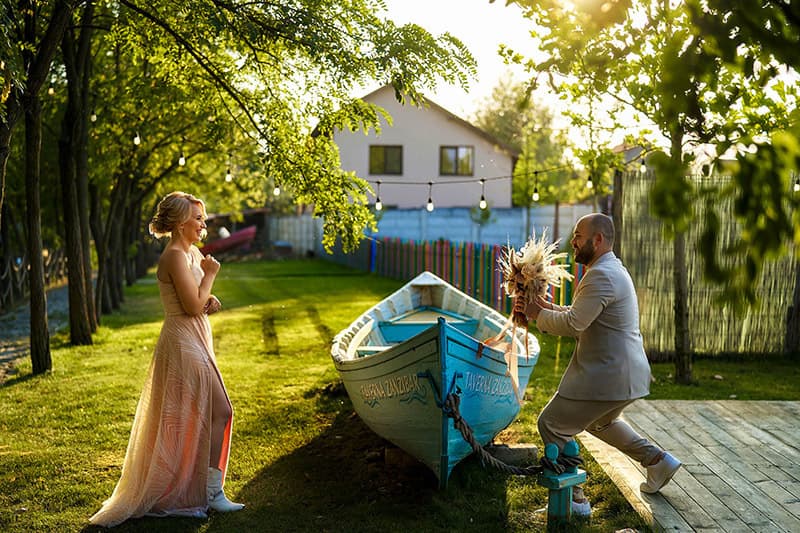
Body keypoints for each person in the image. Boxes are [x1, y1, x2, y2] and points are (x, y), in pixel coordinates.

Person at [90, 192, 243, 527]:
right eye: (197, 218)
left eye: (203, 218)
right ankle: (209, 493)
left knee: (206, 413)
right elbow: (190, 305)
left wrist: (210, 297)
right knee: (219, 410)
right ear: (179, 223)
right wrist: (211, 276)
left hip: (196, 335)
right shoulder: (174, 255)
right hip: (182, 341)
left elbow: (196, 299)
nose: (203, 224)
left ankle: (207, 490)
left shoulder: (191, 252)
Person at [515, 213, 681, 517]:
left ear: (599, 239)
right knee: (600, 423)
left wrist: (537, 314)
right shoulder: (608, 270)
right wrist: (545, 307)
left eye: (579, 236)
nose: (573, 242)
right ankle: (657, 461)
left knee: (551, 424)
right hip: (626, 374)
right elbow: (581, 314)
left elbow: (575, 324)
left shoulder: (601, 275)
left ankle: (576, 501)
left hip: (608, 375)